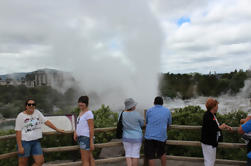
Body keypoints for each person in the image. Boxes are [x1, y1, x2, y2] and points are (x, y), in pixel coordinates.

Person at [15, 99, 64, 166]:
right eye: (29, 104)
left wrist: (57, 129)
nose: (31, 106)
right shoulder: (20, 116)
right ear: (26, 106)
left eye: (33, 104)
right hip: (24, 142)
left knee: (40, 161)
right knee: (23, 164)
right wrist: (20, 146)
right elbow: (18, 132)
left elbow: (46, 122)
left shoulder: (37, 112)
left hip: (35, 142)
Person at [201, 98, 232, 166]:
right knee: (209, 161)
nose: (218, 107)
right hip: (208, 142)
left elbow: (215, 125)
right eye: (217, 106)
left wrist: (225, 126)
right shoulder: (207, 116)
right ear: (213, 107)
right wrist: (220, 127)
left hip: (211, 142)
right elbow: (211, 129)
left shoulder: (212, 115)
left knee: (211, 161)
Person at [144, 96, 172, 166]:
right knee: (162, 153)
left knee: (151, 155)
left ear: (154, 103)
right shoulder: (167, 111)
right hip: (161, 136)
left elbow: (146, 122)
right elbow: (169, 123)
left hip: (149, 136)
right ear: (162, 103)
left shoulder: (149, 110)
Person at [120, 98, 144, 166]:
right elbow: (142, 124)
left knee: (128, 155)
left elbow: (119, 123)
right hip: (137, 137)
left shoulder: (122, 114)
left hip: (126, 137)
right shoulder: (137, 114)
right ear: (132, 106)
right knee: (135, 155)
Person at [73, 96, 95, 166]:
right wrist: (75, 132)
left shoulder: (88, 113)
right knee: (90, 157)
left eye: (82, 102)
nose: (80, 104)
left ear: (86, 103)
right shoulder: (81, 112)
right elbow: (79, 124)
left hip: (85, 138)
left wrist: (91, 142)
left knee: (85, 160)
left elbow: (91, 128)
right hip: (81, 138)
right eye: (79, 102)